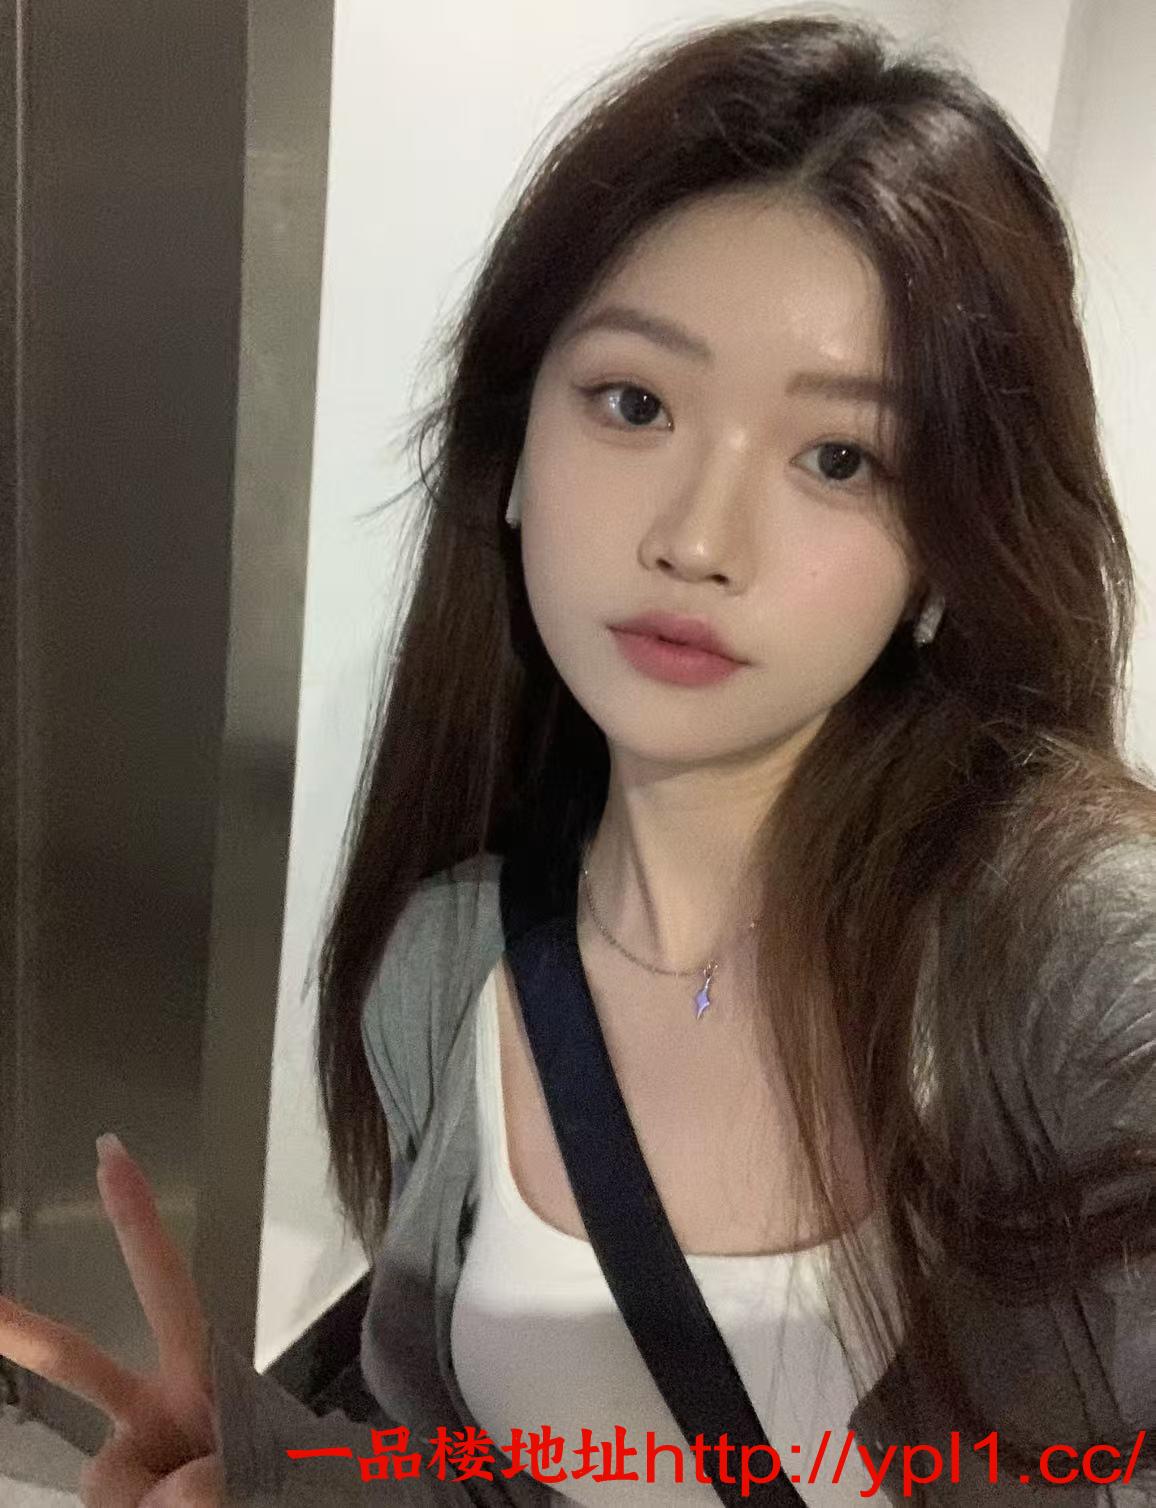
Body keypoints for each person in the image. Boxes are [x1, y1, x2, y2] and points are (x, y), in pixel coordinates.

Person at [2, 11, 1155, 1505]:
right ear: (514, 458)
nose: (697, 537)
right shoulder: (446, 969)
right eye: (634, 403)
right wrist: (272, 1480)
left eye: (840, 457)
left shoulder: (1075, 970)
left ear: (948, 553)